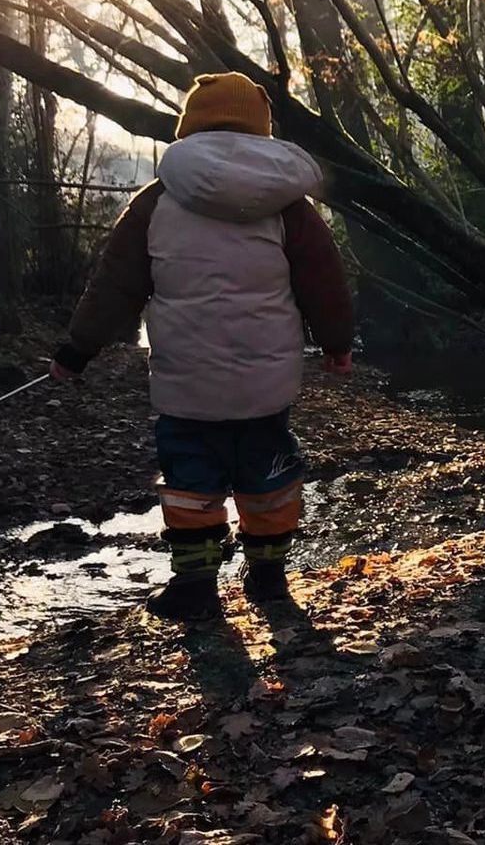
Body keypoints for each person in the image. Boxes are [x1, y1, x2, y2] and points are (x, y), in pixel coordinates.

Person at [50, 73, 354, 622]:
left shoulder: (156, 202)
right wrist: (337, 345)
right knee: (268, 475)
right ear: (262, 130)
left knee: (191, 481)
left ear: (189, 126)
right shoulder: (289, 207)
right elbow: (323, 282)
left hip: (185, 382)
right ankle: (268, 577)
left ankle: (195, 583)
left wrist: (77, 350)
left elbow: (114, 285)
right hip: (266, 383)